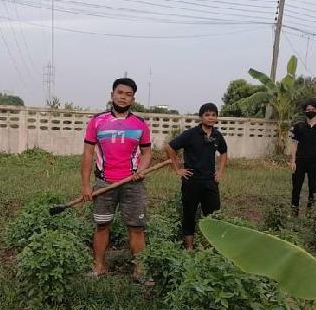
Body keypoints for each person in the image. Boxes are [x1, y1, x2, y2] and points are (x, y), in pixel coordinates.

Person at [80, 78, 152, 284]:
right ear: (112, 95)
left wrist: (141, 170)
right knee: (102, 225)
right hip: (104, 184)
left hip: (132, 184)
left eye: (128, 95)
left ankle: (140, 271)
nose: (123, 97)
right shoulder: (97, 121)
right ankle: (99, 267)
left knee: (136, 228)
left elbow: (147, 153)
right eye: (120, 93)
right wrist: (86, 185)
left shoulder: (140, 124)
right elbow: (88, 154)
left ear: (133, 99)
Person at [165, 102, 228, 251]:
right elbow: (169, 147)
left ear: (216, 117)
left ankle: (210, 249)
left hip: (210, 182)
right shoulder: (191, 134)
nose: (211, 118)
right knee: (189, 214)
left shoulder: (217, 135)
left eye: (213, 115)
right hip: (191, 181)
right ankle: (189, 248)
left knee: (213, 216)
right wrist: (178, 169)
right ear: (201, 117)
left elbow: (224, 152)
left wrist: (220, 172)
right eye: (207, 115)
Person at [289, 97, 316, 215]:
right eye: (308, 109)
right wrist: (293, 161)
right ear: (305, 111)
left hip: (315, 162)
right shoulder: (299, 126)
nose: (310, 111)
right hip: (300, 161)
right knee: (296, 188)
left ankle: (309, 214)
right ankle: (294, 213)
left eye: (312, 109)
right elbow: (294, 144)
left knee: (313, 189)